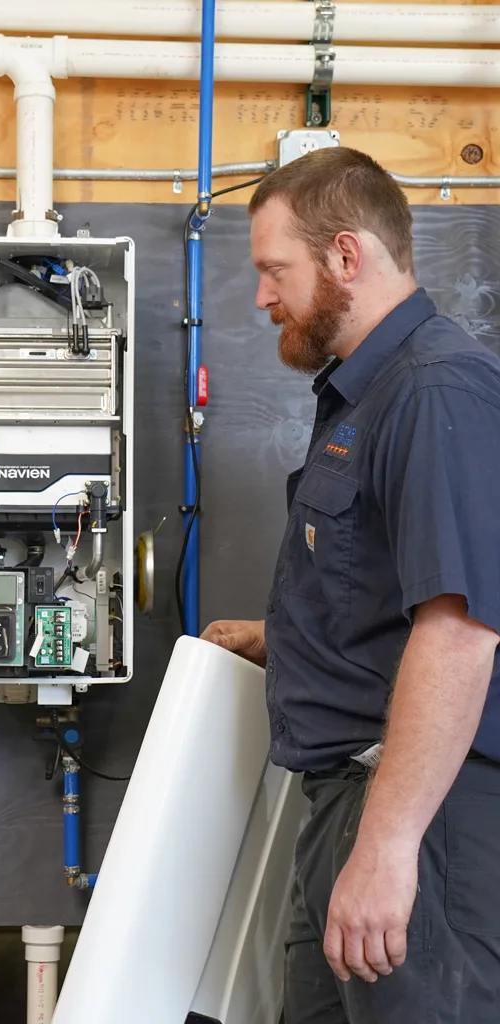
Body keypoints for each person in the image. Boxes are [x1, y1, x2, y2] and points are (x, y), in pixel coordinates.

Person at [202, 147, 500, 1023]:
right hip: (355, 809)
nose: (262, 297)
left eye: (273, 271)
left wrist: (390, 844)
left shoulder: (436, 392)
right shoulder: (368, 398)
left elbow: (461, 631)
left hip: (419, 822)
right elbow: (389, 594)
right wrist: (278, 637)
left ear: (343, 255)